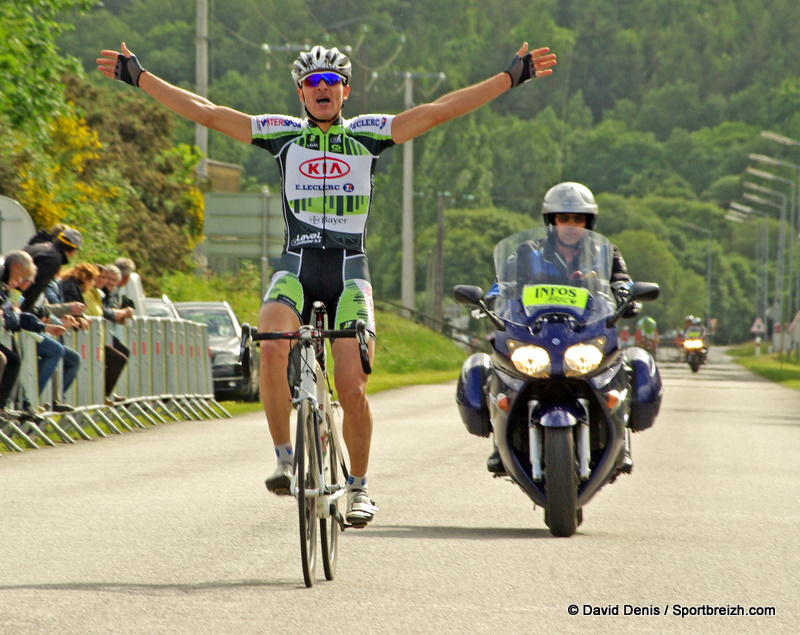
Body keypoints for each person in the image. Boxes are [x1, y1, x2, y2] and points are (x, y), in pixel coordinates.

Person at [98, 39, 557, 526]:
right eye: (312, 83)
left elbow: (440, 110)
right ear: (300, 92)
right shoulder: (282, 135)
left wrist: (510, 77)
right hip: (295, 266)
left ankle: (359, 486)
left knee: (351, 385)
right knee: (272, 344)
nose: (322, 89)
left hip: (348, 270)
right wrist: (140, 77)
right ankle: (283, 458)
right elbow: (207, 113)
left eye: (330, 82)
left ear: (345, 90)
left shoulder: (368, 134)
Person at [485, 182, 640, 475]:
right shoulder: (526, 251)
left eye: (578, 219)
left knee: (626, 366)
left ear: (588, 222)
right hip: (538, 332)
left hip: (584, 331)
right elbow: (503, 284)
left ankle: (622, 440)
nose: (570, 225)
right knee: (497, 365)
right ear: (551, 221)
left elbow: (622, 280)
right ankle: (500, 442)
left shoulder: (602, 252)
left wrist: (627, 296)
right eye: (563, 218)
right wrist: (493, 298)